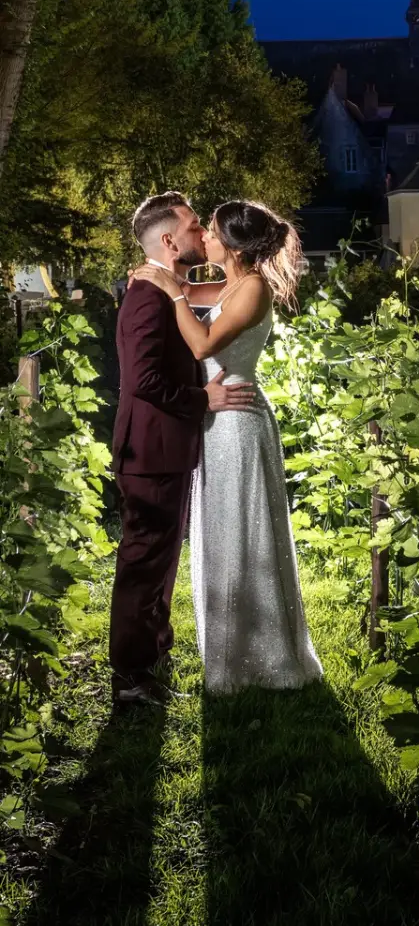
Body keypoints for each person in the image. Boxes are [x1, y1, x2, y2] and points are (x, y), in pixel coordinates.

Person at [132, 200, 323, 696]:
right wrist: (155, 276)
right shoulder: (232, 283)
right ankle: (230, 653)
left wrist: (173, 293)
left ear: (233, 245)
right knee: (220, 531)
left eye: (211, 232)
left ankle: (267, 660)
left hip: (237, 419)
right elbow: (189, 288)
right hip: (216, 417)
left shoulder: (254, 287)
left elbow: (202, 344)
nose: (205, 239)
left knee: (244, 528)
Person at [111, 192, 256, 707]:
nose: (202, 234)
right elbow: (144, 380)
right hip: (149, 451)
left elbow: (225, 292)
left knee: (160, 558)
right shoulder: (146, 295)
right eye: (195, 227)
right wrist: (204, 397)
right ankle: (129, 678)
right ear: (170, 240)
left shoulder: (165, 287)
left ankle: (151, 654)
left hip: (166, 449)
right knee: (144, 560)